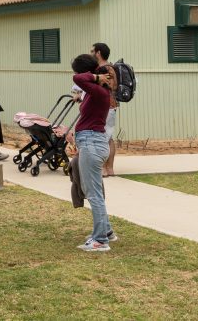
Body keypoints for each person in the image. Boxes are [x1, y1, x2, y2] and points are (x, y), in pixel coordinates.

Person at [69, 53, 115, 252]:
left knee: (94, 194)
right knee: (95, 192)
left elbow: (78, 78)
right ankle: (107, 231)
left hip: (92, 144)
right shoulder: (96, 91)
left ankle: (100, 240)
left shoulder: (98, 90)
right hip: (92, 142)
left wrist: (95, 76)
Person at [91, 42, 119, 177]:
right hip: (112, 105)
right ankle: (110, 168)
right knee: (109, 137)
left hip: (103, 106)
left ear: (98, 53)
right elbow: (114, 87)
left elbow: (101, 87)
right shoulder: (112, 67)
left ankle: (102, 168)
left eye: (92, 51)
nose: (91, 53)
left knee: (101, 136)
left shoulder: (101, 70)